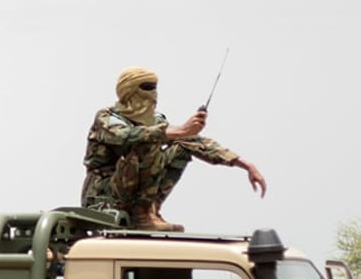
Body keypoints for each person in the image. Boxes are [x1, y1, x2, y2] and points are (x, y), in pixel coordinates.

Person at [81, 66, 267, 232]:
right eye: (146, 87)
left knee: (182, 145)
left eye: (155, 87)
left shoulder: (156, 121)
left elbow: (192, 141)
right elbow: (125, 135)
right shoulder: (106, 117)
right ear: (128, 90)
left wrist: (245, 165)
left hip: (134, 192)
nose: (153, 93)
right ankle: (142, 213)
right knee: (148, 142)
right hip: (103, 193)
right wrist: (178, 131)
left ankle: (150, 210)